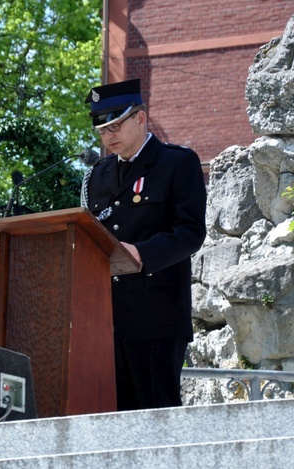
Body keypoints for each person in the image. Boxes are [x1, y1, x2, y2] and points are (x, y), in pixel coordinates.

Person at [81, 78, 207, 410]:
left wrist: (142, 253)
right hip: (107, 319)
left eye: (116, 126)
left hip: (157, 316)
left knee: (157, 417)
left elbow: (190, 233)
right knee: (113, 417)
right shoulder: (97, 175)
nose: (109, 136)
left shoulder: (177, 163)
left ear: (140, 118)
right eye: (103, 130)